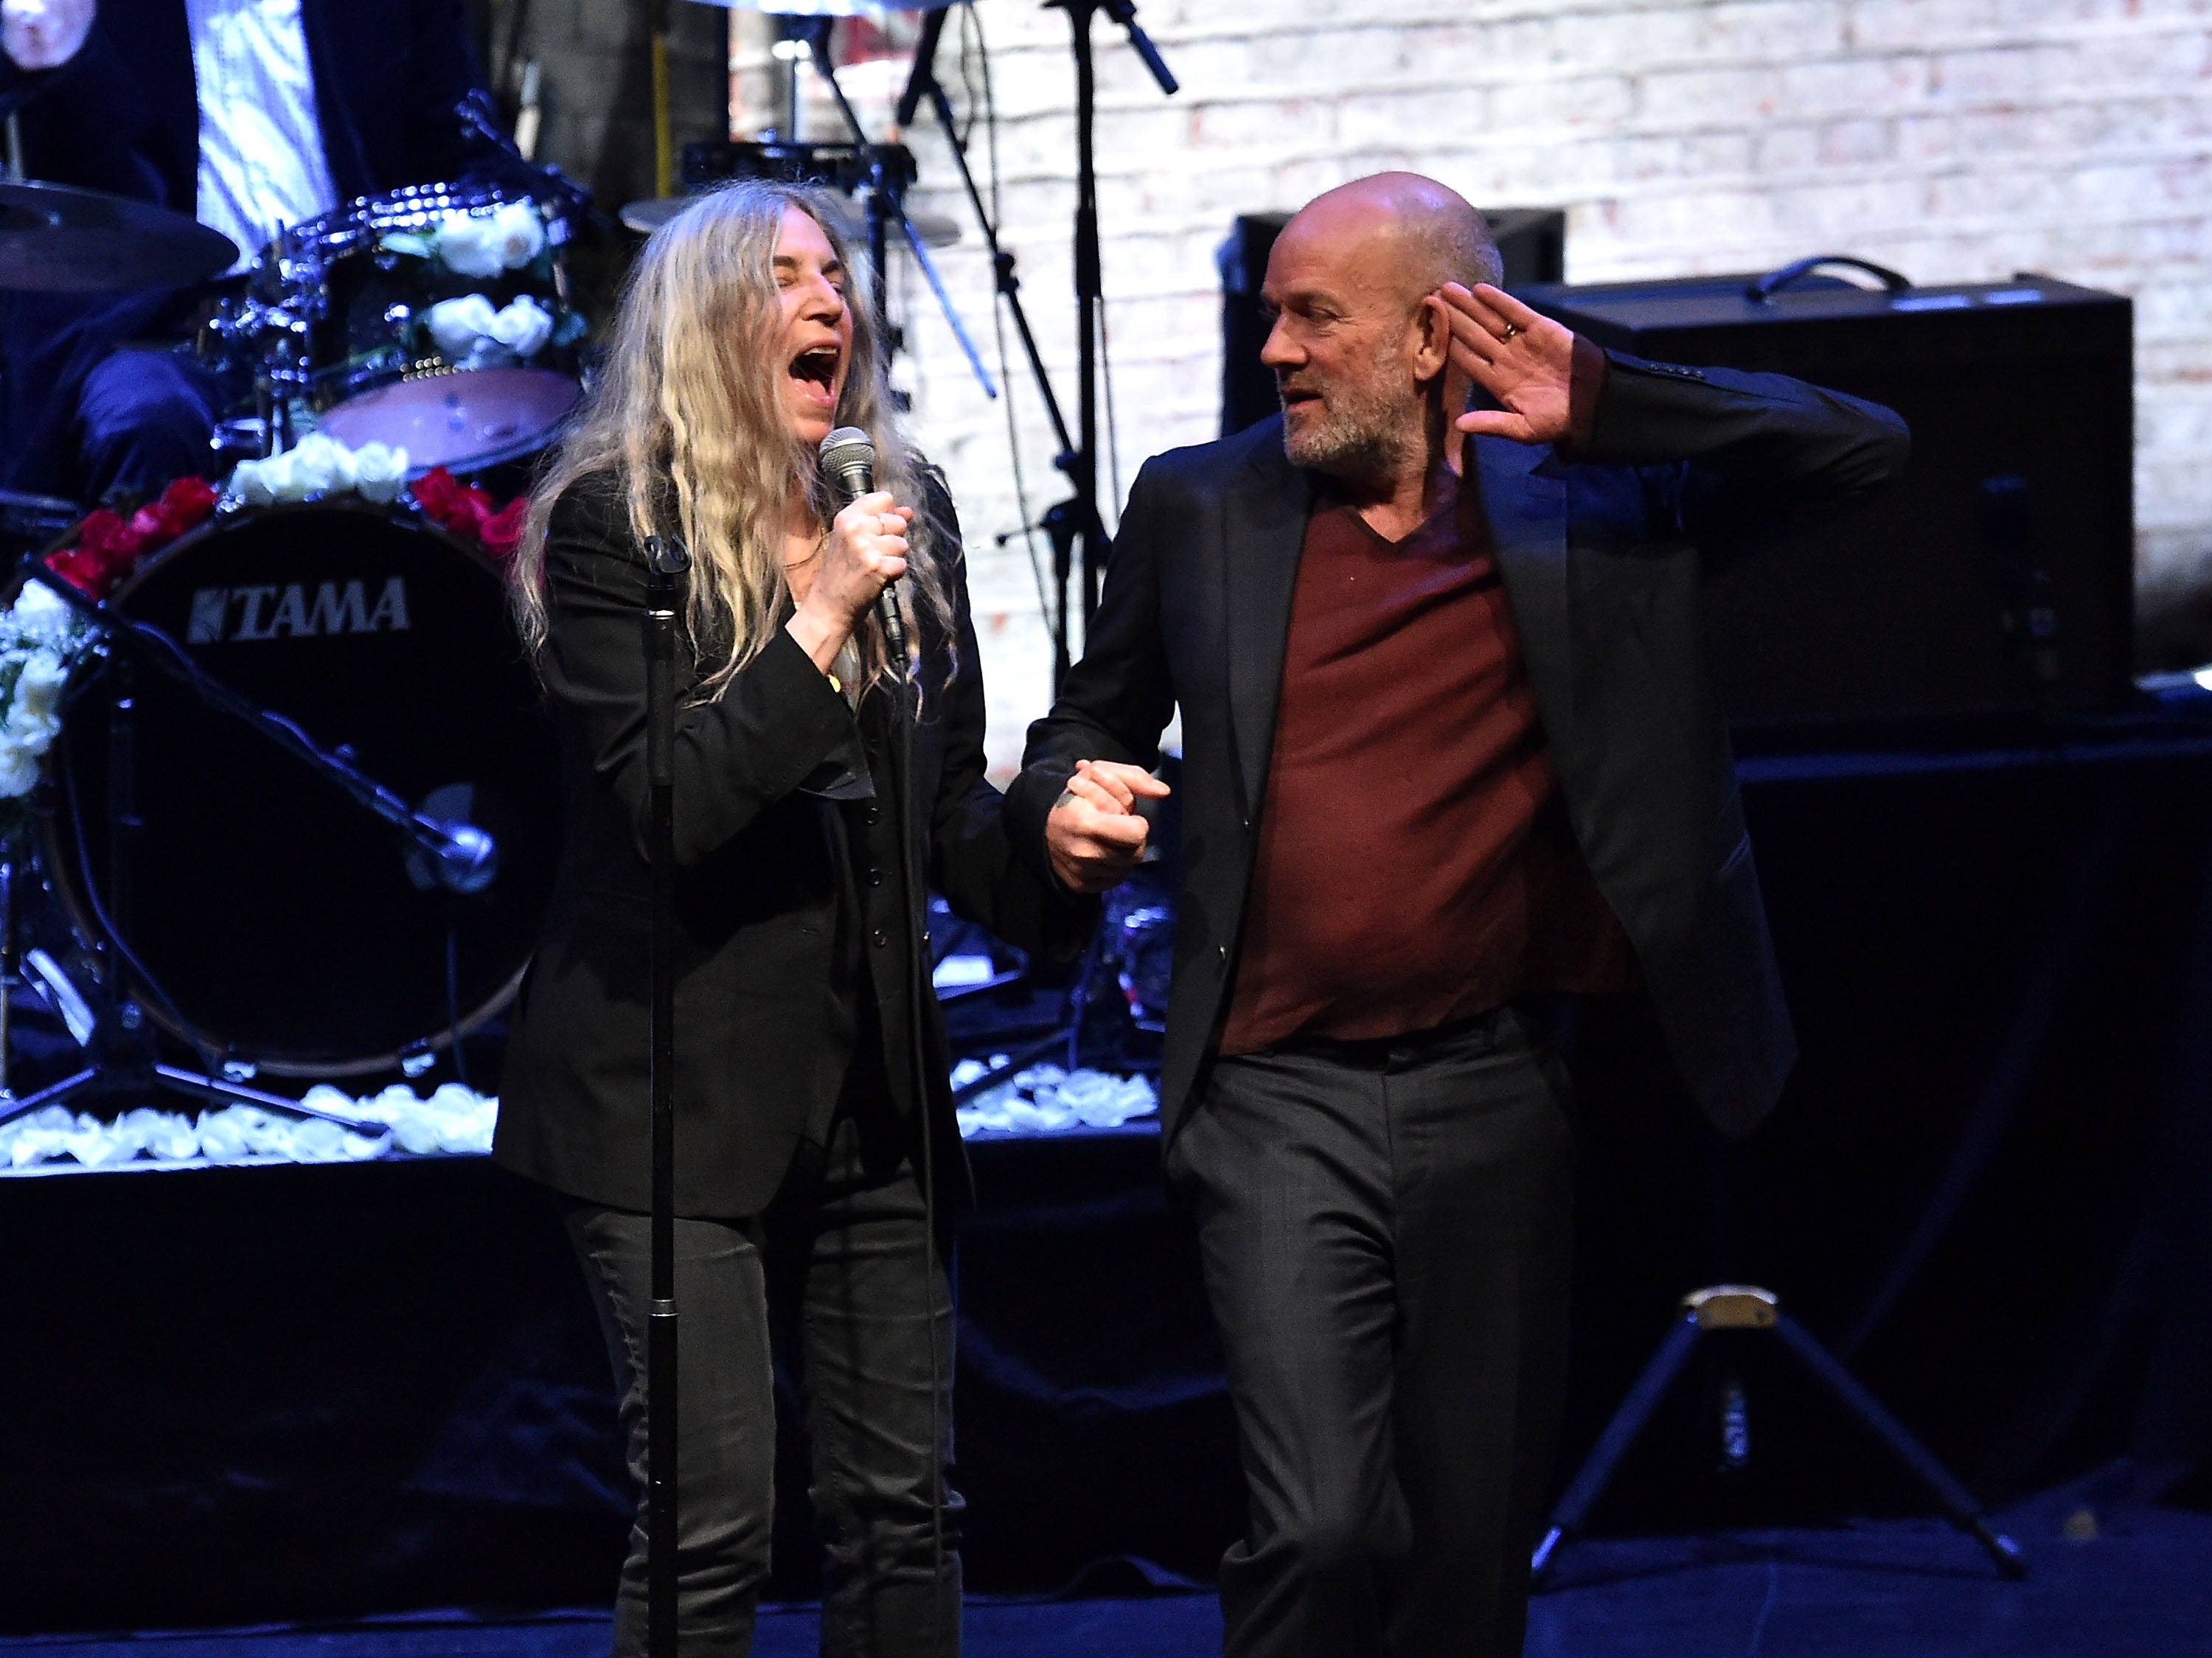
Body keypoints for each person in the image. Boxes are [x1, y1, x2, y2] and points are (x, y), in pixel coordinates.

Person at [1004, 173, 1910, 1656]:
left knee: (1470, 1555)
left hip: (1499, 1086)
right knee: (1323, 1524)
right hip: (1273, 1085)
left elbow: (1864, 452)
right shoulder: (1201, 502)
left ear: (1434, 337)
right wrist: (1059, 797)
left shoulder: (1596, 497)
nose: (1275, 351)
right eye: (1272, 316)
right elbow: (1088, 720)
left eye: (1313, 317)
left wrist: (1614, 396)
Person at [495, 181, 1084, 1658]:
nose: (831, 299)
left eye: (837, 272)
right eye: (784, 276)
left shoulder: (902, 510)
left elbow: (945, 824)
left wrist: (1058, 852)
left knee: (905, 1516)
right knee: (711, 1532)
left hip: (868, 1097)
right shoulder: (615, 535)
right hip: (664, 1100)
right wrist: (815, 617)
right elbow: (674, 810)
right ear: (704, 321)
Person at [0, 0, 490, 504]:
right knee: (147, 421)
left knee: (481, 425)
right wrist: (16, 58)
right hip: (161, 331)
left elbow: (463, 150)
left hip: (356, 322)